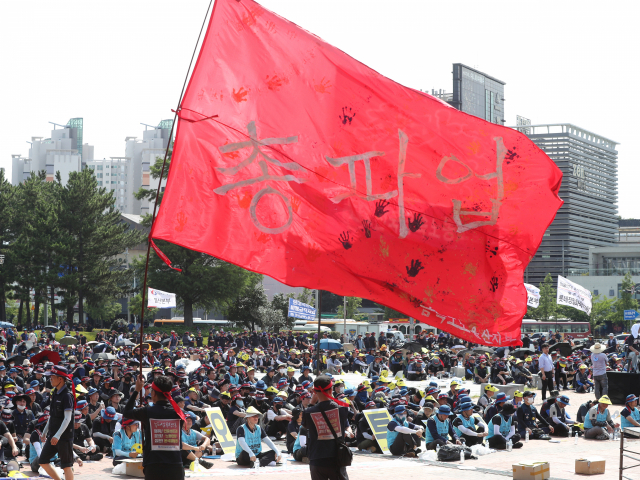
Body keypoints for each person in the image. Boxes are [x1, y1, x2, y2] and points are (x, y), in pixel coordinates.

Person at [123, 374, 185, 480]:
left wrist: (137, 390)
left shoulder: (147, 411)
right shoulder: (178, 412)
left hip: (154, 466)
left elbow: (126, 412)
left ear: (153, 393)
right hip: (176, 465)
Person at [302, 375, 353, 480]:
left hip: (317, 458)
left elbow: (305, 425)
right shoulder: (342, 409)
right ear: (331, 390)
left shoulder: (309, 412)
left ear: (314, 392)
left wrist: (312, 403)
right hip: (337, 457)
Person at [39, 365, 76, 480]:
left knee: (67, 466)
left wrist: (58, 435)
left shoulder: (67, 395)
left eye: (52, 377)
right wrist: (45, 432)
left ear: (60, 379)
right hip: (53, 435)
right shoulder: (54, 393)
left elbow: (68, 418)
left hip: (63, 437)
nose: (50, 379)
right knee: (43, 461)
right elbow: (52, 415)